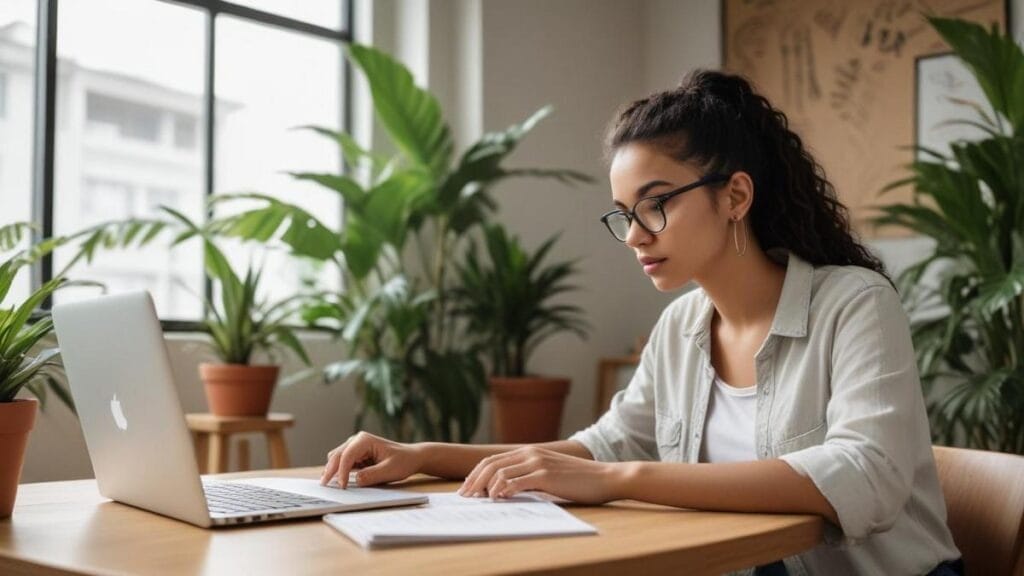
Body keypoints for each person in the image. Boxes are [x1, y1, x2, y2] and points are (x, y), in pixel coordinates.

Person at [320, 70, 963, 576]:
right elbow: (602, 447)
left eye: (653, 206)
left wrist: (617, 481)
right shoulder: (682, 325)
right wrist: (426, 455)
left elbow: (865, 475)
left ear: (735, 195)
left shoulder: (854, 302)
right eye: (623, 214)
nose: (632, 236)